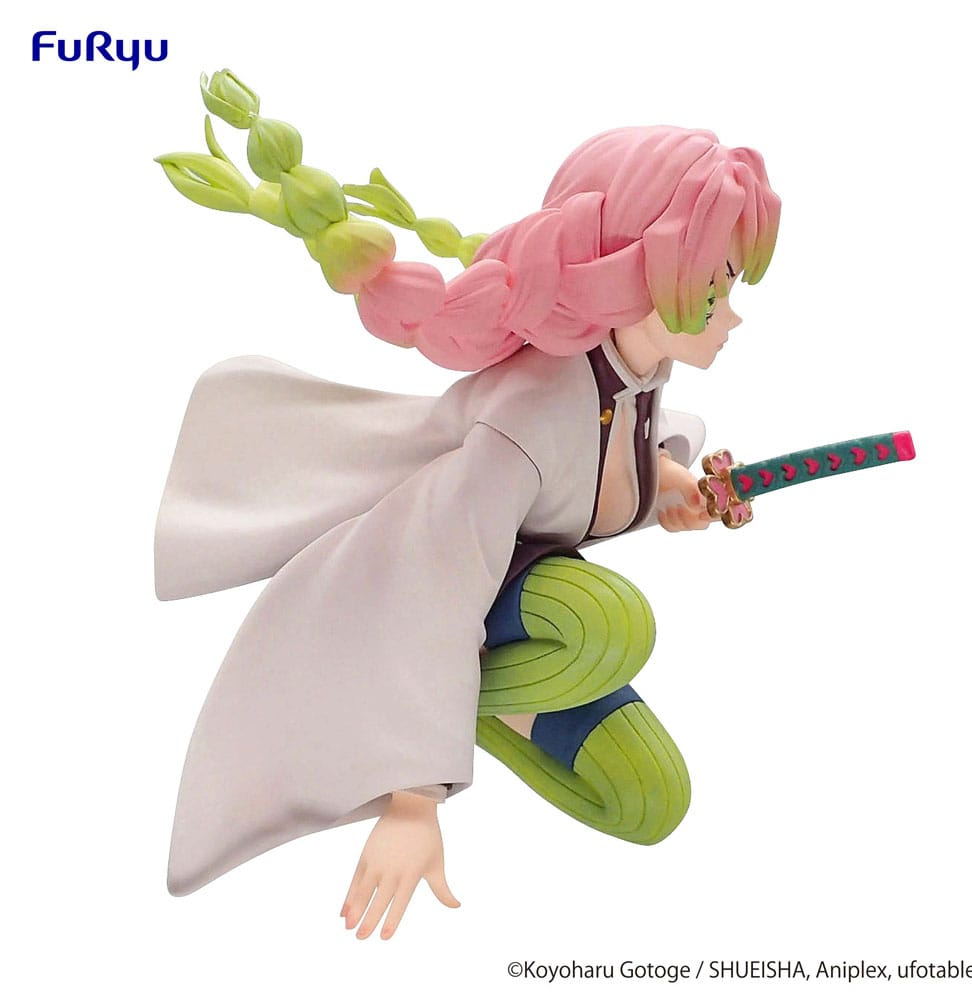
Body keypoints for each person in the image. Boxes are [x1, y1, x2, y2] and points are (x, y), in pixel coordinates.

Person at [155, 79, 781, 939]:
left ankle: (479, 708)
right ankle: (426, 715)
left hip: (507, 614)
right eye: (713, 287)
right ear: (639, 279)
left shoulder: (635, 372)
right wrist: (412, 798)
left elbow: (599, 467)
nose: (731, 315)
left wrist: (668, 484)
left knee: (646, 801)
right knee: (610, 621)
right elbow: (434, 582)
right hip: (426, 605)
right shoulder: (528, 412)